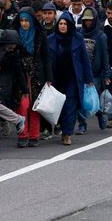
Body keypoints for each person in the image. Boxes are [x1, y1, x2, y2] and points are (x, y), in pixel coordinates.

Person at [47, 13, 94, 146]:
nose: (62, 26)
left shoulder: (77, 38)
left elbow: (85, 59)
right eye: (60, 24)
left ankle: (67, 134)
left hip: (73, 78)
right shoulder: (51, 39)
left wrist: (88, 78)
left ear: (70, 25)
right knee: (59, 107)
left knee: (70, 106)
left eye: (65, 24)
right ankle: (61, 128)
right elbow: (46, 60)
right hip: (56, 79)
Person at [12, 8, 52, 147]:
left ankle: (34, 136)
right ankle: (23, 135)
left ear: (32, 21)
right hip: (20, 75)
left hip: (37, 75)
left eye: (27, 21)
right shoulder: (15, 35)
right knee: (22, 106)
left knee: (35, 106)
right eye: (22, 20)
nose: (24, 24)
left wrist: (49, 78)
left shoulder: (40, 35)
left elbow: (46, 57)